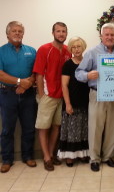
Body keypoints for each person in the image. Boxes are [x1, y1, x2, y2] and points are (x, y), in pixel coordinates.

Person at [75, 23, 114, 172]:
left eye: (112, 35)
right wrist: (88, 75)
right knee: (95, 127)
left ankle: (108, 157)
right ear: (101, 36)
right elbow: (78, 73)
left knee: (112, 127)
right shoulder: (92, 52)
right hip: (97, 93)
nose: (109, 37)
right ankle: (94, 159)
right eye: (107, 34)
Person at [33, 22, 72, 171]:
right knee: (44, 127)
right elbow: (39, 73)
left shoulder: (68, 51)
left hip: (62, 96)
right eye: (58, 31)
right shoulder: (44, 49)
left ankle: (52, 154)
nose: (61, 34)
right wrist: (42, 95)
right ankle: (46, 157)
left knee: (56, 126)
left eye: (64, 31)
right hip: (48, 96)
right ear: (53, 33)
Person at [0, 21, 37, 173]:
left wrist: (27, 84)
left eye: (20, 31)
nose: (17, 33)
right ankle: (7, 159)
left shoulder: (31, 51)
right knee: (7, 128)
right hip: (7, 94)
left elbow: (36, 72)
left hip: (28, 94)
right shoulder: (1, 51)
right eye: (14, 31)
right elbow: (0, 74)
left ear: (23, 34)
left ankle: (27, 156)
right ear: (7, 34)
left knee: (29, 127)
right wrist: (20, 82)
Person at [57, 37, 90, 167]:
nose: (76, 49)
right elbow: (64, 85)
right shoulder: (68, 65)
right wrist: (68, 104)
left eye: (79, 46)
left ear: (83, 47)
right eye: (74, 47)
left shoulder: (88, 63)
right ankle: (70, 157)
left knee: (83, 130)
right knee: (71, 131)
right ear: (70, 49)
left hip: (86, 102)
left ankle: (82, 155)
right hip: (72, 102)